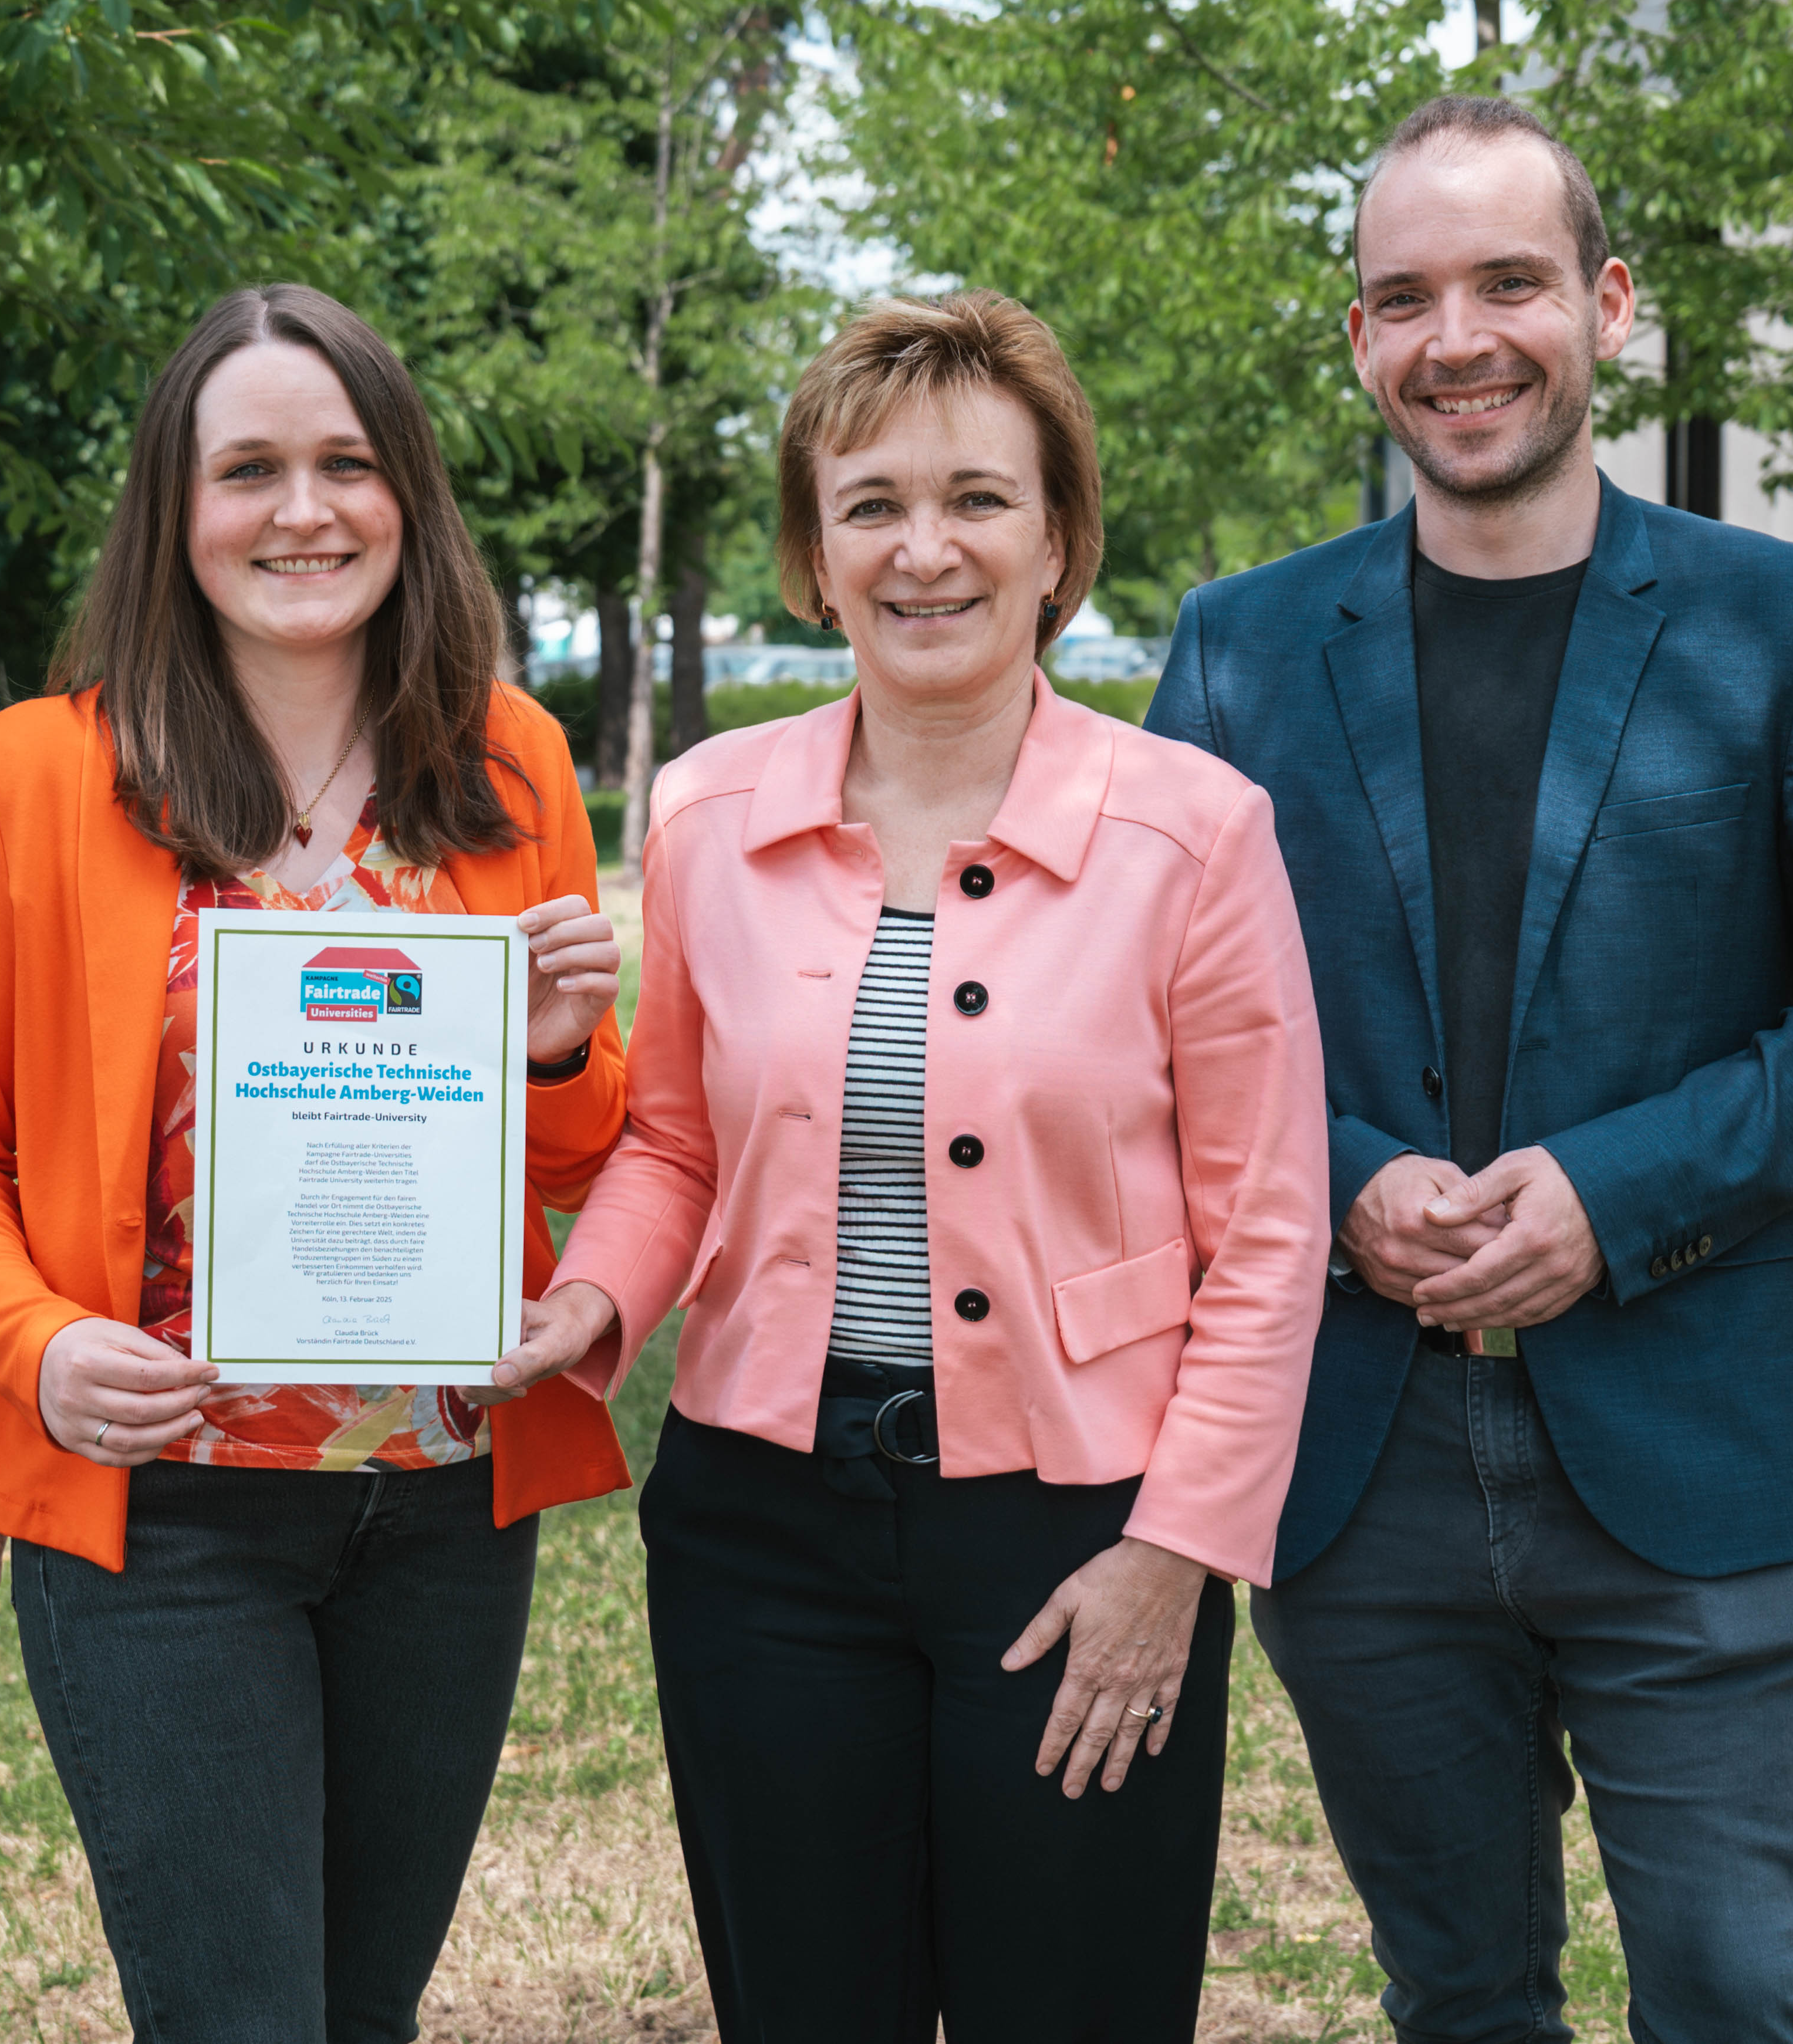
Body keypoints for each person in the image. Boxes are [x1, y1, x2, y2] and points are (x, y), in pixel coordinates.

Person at [1147, 94, 1793, 2040]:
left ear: (1607, 306)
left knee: (1742, 1992)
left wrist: (1616, 1196)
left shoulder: (1787, 623)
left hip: (1694, 1434)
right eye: (1406, 296)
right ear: (1359, 337)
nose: (1459, 339)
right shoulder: (1239, 651)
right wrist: (1344, 1177)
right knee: (1457, 1998)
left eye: (1510, 282)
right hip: (1359, 1466)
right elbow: (1151, 1019)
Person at [496, 292, 1331, 2042]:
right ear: (816, 556)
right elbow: (678, 1141)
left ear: (1059, 541)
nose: (923, 548)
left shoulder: (1195, 833)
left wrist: (1176, 1553)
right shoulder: (707, 815)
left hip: (1080, 1529)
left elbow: (1267, 1234)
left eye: (978, 499)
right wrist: (586, 1303)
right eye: (871, 504)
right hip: (761, 1529)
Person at [0, 283, 632, 2044]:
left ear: (408, 491)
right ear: (176, 504)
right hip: (164, 1506)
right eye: (250, 470)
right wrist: (38, 1346)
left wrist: (553, 1048)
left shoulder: (506, 758)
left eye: (348, 464)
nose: (305, 511)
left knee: (363, 2014)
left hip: (442, 1507)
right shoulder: (37, 773)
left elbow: (579, 1152)